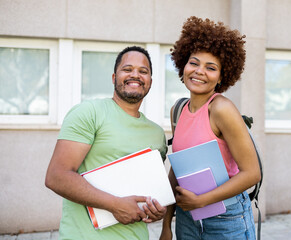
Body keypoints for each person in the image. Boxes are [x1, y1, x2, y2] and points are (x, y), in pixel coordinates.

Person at [45, 46, 168, 240]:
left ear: (150, 82)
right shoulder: (89, 112)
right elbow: (56, 176)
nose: (135, 75)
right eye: (127, 69)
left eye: (143, 71)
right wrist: (115, 205)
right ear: (114, 78)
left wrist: (156, 211)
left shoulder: (157, 134)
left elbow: (150, 191)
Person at [160, 16, 261, 240]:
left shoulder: (221, 109)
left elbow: (252, 173)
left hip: (226, 218)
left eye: (211, 67)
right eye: (194, 63)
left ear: (221, 77)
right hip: (187, 216)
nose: (199, 71)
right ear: (183, 64)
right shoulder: (178, 110)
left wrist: (202, 200)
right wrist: (166, 225)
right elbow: (178, 169)